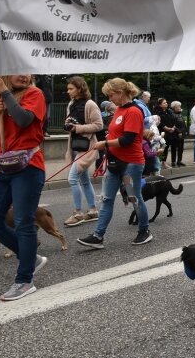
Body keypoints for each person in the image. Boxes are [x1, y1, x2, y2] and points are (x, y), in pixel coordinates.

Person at [0, 74, 47, 301]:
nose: (25, 75)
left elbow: (24, 120)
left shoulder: (34, 94)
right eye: (18, 70)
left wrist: (6, 94)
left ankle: (25, 279)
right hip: (2, 168)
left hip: (28, 166)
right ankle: (30, 257)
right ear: (5, 73)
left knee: (23, 221)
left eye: (27, 71)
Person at [77, 78, 152, 249]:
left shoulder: (133, 111)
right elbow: (115, 133)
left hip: (131, 163)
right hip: (114, 162)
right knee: (107, 199)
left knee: (134, 198)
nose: (109, 99)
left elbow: (127, 139)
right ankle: (98, 236)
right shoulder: (119, 110)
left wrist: (105, 144)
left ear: (120, 93)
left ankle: (145, 231)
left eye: (111, 95)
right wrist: (108, 142)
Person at [62, 76, 103, 227]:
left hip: (88, 146)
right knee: (84, 179)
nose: (68, 91)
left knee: (72, 178)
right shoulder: (71, 103)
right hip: (75, 145)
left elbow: (99, 125)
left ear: (80, 88)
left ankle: (78, 213)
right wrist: (68, 124)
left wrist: (78, 128)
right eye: (68, 89)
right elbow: (69, 121)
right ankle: (93, 210)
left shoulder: (90, 104)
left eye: (71, 88)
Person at [155, 98, 180, 167]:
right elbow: (159, 123)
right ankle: (160, 162)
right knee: (162, 148)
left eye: (166, 102)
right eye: (164, 103)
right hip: (163, 133)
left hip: (171, 132)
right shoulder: (158, 112)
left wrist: (173, 128)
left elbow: (175, 119)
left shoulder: (169, 111)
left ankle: (164, 162)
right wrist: (167, 128)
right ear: (160, 105)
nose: (166, 104)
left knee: (167, 148)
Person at [170, 100, 187, 166]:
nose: (179, 107)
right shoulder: (173, 115)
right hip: (175, 134)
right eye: (178, 106)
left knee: (181, 148)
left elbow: (183, 123)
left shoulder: (180, 114)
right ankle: (173, 161)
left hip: (181, 133)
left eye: (180, 106)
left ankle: (179, 161)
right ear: (174, 107)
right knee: (174, 148)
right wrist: (178, 132)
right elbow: (173, 125)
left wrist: (185, 131)